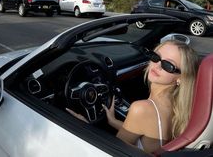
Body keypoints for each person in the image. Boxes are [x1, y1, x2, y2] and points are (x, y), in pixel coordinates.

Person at [67, 40, 199, 154]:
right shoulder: (178, 105)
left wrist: (84, 125)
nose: (157, 65)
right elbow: (146, 133)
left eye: (168, 65)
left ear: (181, 78)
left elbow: (113, 149)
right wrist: (113, 121)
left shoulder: (142, 109)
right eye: (156, 57)